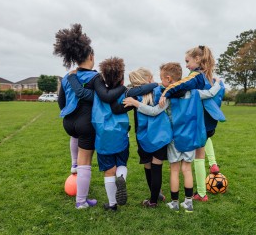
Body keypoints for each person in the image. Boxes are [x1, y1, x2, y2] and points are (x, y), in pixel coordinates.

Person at [123, 62, 222, 212]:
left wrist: (137, 104)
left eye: (162, 78)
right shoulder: (195, 93)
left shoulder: (167, 96)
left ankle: (175, 203)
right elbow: (211, 93)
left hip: (175, 139)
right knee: (187, 170)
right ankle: (188, 203)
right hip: (191, 138)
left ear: (168, 79)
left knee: (175, 170)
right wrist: (218, 83)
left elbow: (154, 111)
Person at [54, 23, 127, 209]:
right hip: (86, 123)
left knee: (76, 152)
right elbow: (103, 97)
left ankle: (73, 166)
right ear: (91, 56)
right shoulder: (95, 77)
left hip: (69, 122)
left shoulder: (68, 75)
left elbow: (61, 101)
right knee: (85, 162)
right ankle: (81, 202)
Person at [159, 45, 226, 202]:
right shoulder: (210, 76)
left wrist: (165, 92)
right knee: (201, 153)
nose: (186, 65)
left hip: (197, 122)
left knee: (197, 157)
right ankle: (209, 173)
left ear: (197, 59)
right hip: (209, 123)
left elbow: (182, 85)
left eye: (187, 61)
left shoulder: (195, 75)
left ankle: (201, 193)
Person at [91, 58, 158, 212]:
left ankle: (112, 204)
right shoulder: (126, 93)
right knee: (121, 164)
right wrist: (155, 84)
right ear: (121, 77)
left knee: (109, 170)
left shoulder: (97, 93)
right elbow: (139, 91)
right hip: (121, 135)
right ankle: (121, 178)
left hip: (102, 137)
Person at [127, 68, 171, 208]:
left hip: (144, 137)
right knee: (157, 167)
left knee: (148, 166)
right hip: (161, 136)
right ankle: (154, 199)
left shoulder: (135, 97)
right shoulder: (162, 92)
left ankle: (154, 196)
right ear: (149, 78)